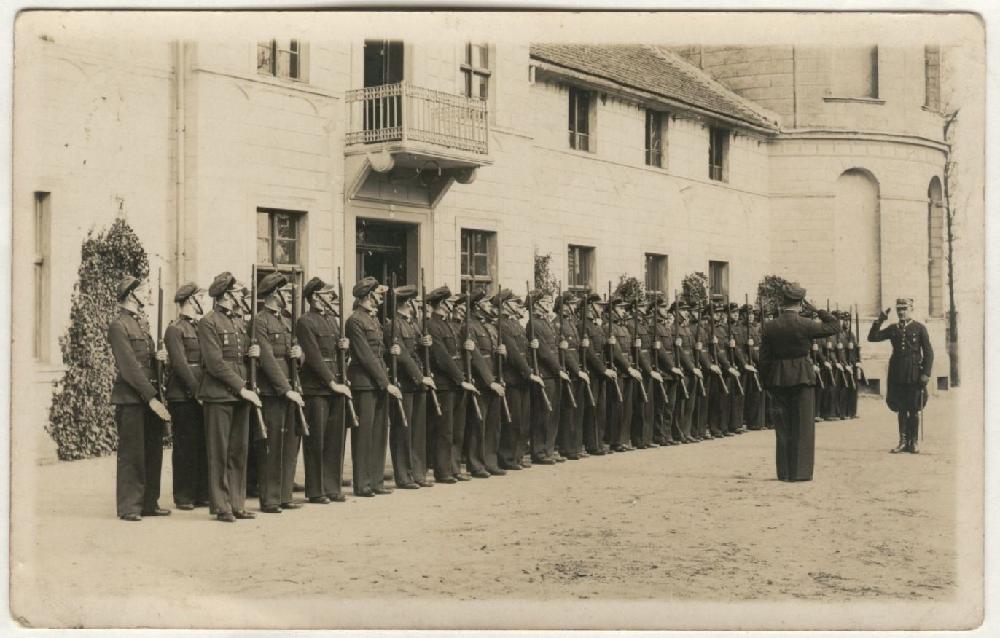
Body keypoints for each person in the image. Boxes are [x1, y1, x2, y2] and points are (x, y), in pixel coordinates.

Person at [759, 282, 839, 482]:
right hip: (802, 377)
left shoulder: (770, 326)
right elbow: (835, 326)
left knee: (782, 427)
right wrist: (818, 310)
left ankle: (784, 472)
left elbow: (764, 359)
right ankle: (800, 472)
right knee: (803, 426)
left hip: (778, 379)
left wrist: (767, 383)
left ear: (783, 301)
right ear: (801, 302)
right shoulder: (806, 324)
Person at [198, 272, 261, 522]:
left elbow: (239, 357)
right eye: (236, 294)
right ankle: (221, 505)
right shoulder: (208, 322)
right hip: (219, 395)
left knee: (238, 451)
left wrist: (252, 353)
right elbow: (215, 363)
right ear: (225, 295)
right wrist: (241, 387)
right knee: (219, 453)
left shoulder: (237, 322)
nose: (240, 298)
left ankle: (237, 503)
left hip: (240, 395)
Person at [108, 275, 171, 521]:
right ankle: (129, 507)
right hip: (132, 399)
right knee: (132, 454)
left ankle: (149, 503)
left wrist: (158, 358)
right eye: (143, 291)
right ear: (131, 295)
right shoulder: (119, 325)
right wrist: (152, 398)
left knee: (153, 451)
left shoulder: (142, 323)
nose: (146, 294)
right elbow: (129, 367)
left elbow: (145, 361)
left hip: (149, 395)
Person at [295, 277, 353, 503]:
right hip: (316, 388)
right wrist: (331, 382)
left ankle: (332, 487)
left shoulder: (332, 321)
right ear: (314, 297)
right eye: (326, 294)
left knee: (334, 440)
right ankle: (316, 490)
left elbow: (338, 355)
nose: (330, 298)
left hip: (336, 385)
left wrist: (345, 349)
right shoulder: (305, 322)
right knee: (316, 442)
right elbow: (314, 357)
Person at [252, 273, 306, 513]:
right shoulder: (260, 321)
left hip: (292, 387)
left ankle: (285, 494)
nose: (288, 296)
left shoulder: (286, 320)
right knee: (272, 446)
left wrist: (299, 354)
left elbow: (297, 354)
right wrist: (285, 389)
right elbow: (266, 359)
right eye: (284, 292)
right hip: (272, 392)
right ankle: (271, 498)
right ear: (275, 294)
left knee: (290, 443)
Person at [346, 276, 402, 496]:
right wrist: (385, 383)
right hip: (364, 383)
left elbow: (378, 352)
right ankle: (362, 484)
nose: (380, 299)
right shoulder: (355, 321)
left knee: (379, 433)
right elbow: (366, 356)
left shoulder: (374, 320)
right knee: (364, 435)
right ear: (368, 296)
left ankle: (376, 481)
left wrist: (391, 352)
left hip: (378, 382)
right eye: (377, 295)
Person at [385, 283, 435, 488]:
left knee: (418, 431)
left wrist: (426, 345)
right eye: (414, 302)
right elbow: (403, 355)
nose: (417, 306)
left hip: (418, 382)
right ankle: (404, 475)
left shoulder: (414, 324)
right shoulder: (393, 325)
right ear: (408, 303)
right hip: (405, 382)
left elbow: (416, 352)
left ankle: (418, 472)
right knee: (403, 430)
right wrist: (420, 377)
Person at [164, 282, 209, 511]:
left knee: (202, 443)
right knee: (185, 446)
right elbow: (180, 365)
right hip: (183, 396)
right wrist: (197, 392)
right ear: (191, 300)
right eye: (201, 297)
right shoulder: (175, 329)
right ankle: (183, 495)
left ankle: (201, 493)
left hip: (201, 392)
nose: (204, 301)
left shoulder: (199, 327)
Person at [868, 298, 934, 454]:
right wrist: (880, 320)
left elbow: (929, 353)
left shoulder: (919, 328)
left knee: (914, 408)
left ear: (911, 309)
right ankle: (903, 442)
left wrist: (926, 373)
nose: (901, 312)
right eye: (899, 309)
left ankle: (914, 442)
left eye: (904, 309)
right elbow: (873, 337)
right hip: (897, 373)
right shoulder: (893, 329)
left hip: (914, 374)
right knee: (901, 408)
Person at [425, 285, 476, 483]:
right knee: (444, 430)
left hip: (457, 381)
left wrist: (467, 349)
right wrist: (461, 379)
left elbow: (457, 354)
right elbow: (442, 357)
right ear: (441, 303)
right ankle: (443, 470)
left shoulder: (449, 325)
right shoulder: (432, 325)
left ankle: (454, 468)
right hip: (445, 383)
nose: (452, 306)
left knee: (457, 429)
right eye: (449, 303)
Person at [495, 291, 540, 470]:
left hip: (523, 378)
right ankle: (508, 457)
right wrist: (528, 372)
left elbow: (524, 350)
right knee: (512, 420)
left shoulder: (516, 324)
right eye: (514, 303)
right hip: (513, 377)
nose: (517, 305)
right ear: (504, 304)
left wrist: (532, 347)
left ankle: (518, 455)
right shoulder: (502, 325)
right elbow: (513, 353)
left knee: (523, 420)